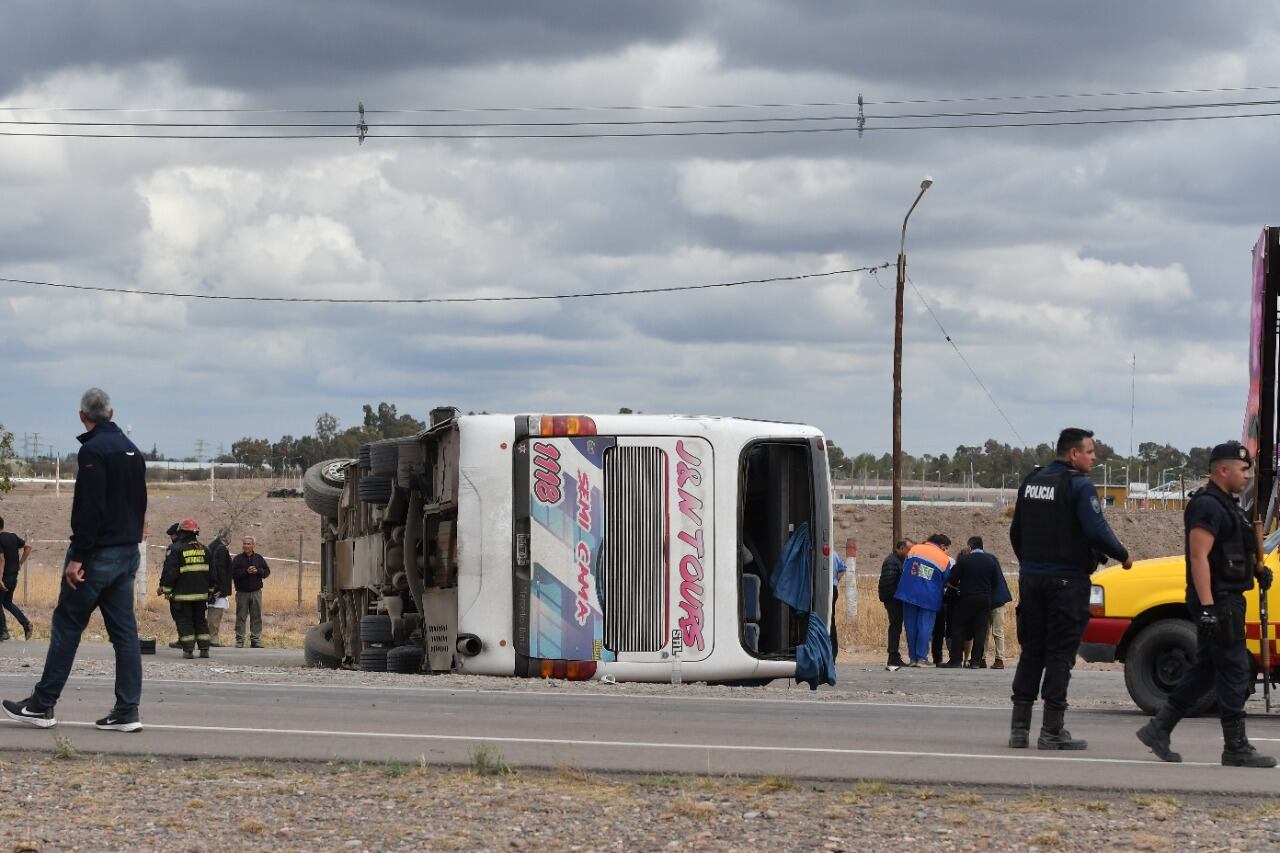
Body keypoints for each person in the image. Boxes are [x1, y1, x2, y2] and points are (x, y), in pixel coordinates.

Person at [2, 388, 147, 732]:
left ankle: (42, 704)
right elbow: (140, 503)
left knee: (67, 625)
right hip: (128, 553)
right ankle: (128, 710)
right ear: (111, 412)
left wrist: (79, 557)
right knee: (125, 635)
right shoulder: (134, 452)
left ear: (83, 415)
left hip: (97, 554)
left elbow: (89, 508)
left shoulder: (92, 451)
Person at [1136, 441, 1276, 768]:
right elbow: (1198, 557)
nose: (1247, 475)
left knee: (1206, 671)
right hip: (1219, 601)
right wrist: (1209, 607)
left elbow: (1231, 551)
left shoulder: (1228, 505)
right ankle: (1236, 747)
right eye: (1243, 470)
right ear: (1223, 471)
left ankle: (1159, 728)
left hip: (1228, 597)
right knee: (1234, 668)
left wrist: (1258, 570)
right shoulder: (1207, 506)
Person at [1008, 427, 1131, 750]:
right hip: (1067, 583)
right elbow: (1096, 530)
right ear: (1073, 454)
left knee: (1032, 653)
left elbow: (1016, 532)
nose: (1094, 457)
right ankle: (1052, 731)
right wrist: (1123, 555)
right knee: (1060, 655)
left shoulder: (1032, 482)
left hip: (1032, 580)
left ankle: (1018, 730)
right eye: (1090, 452)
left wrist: (1032, 565)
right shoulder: (1079, 486)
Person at [159, 518, 215, 659]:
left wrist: (166, 590)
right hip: (201, 595)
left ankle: (188, 650)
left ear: (181, 532)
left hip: (182, 595)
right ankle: (204, 649)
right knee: (200, 620)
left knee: (184, 621)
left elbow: (170, 572)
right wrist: (210, 590)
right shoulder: (205, 549)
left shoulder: (176, 549)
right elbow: (213, 573)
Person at [894, 534, 953, 666]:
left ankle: (913, 658)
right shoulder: (943, 558)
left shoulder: (915, 549)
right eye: (947, 548)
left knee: (910, 627)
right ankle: (921, 658)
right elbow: (945, 580)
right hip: (929, 597)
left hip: (908, 593)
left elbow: (907, 568)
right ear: (942, 546)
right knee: (925, 627)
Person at [948, 536, 1001, 668]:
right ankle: (976, 661)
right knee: (980, 630)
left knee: (959, 628)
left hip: (966, 598)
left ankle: (956, 660)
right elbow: (995, 582)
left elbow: (953, 579)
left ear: (970, 546)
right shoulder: (991, 561)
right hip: (984, 599)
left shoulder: (965, 560)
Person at [878, 538, 912, 669]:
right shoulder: (892, 561)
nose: (910, 552)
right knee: (895, 628)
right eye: (909, 549)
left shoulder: (899, 561)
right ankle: (893, 656)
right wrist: (896, 597)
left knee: (896, 628)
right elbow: (888, 583)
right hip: (893, 600)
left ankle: (894, 655)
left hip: (895, 599)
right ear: (901, 548)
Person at [232, 535, 270, 648]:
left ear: (253, 545)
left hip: (256, 592)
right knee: (241, 617)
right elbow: (233, 574)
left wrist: (257, 571)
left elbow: (267, 572)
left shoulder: (258, 558)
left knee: (256, 616)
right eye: (244, 543)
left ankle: (256, 640)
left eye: (248, 544)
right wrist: (246, 571)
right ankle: (239, 640)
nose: (246, 546)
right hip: (242, 592)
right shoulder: (237, 559)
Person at [0, 516, 34, 641]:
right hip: (13, 576)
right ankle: (26, 624)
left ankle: (3, 632)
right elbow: (28, 547)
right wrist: (20, 563)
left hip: (4, 577)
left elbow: (1, 559)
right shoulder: (12, 536)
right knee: (7, 602)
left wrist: (0, 578)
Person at [205, 528, 232, 647]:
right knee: (215, 615)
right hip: (217, 589)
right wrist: (219, 588)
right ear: (226, 538)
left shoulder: (210, 546)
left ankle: (208, 638)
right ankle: (213, 639)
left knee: (211, 614)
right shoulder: (220, 549)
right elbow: (219, 570)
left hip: (209, 586)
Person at [988, 559, 1013, 670]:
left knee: (987, 632)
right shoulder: (997, 572)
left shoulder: (990, 572)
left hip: (992, 603)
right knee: (998, 632)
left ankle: (984, 659)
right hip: (998, 603)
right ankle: (999, 659)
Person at [830, 552, 847, 657]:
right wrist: (836, 581)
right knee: (831, 620)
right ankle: (833, 652)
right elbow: (842, 569)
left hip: (826, 589)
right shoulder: (835, 554)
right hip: (833, 588)